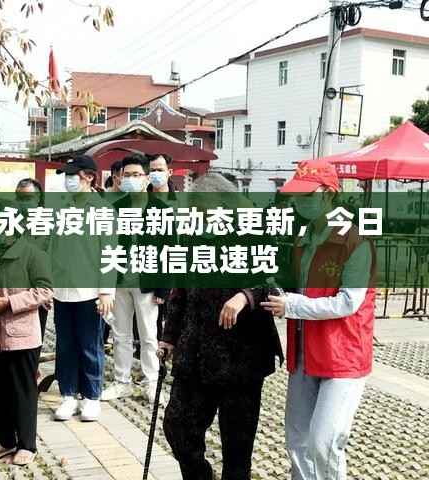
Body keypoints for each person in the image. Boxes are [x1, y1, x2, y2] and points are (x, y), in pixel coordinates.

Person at [160, 173, 284, 480]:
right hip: (195, 353)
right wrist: (169, 336)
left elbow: (275, 284)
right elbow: (179, 290)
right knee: (177, 427)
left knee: (237, 448)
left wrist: (245, 296)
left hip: (241, 357)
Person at [261, 159, 376, 480]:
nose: (300, 202)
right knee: (297, 439)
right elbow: (298, 288)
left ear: (328, 194)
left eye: (307, 195)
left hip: (342, 355)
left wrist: (293, 305)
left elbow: (348, 302)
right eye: (296, 195)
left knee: (324, 442)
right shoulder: (304, 239)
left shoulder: (356, 242)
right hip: (304, 351)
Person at [0, 198, 53, 466]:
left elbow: (45, 290)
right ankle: (5, 442)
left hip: (22, 335)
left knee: (23, 391)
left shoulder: (33, 254)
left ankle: (27, 445)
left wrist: (10, 302)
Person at [102, 154, 171, 404]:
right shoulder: (115, 208)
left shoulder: (160, 210)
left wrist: (163, 289)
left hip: (147, 282)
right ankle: (122, 382)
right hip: (120, 280)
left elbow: (170, 250)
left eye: (136, 175)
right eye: (127, 175)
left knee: (149, 334)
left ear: (146, 178)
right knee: (120, 334)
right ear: (119, 178)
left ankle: (151, 382)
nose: (131, 179)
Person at [52, 154, 116, 422]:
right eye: (66, 176)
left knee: (90, 346)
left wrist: (106, 292)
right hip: (61, 291)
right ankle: (68, 395)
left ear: (89, 177)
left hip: (90, 293)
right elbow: (52, 249)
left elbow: (109, 252)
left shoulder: (102, 210)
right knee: (65, 345)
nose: (68, 180)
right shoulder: (60, 208)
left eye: (73, 176)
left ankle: (91, 396)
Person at [15, 178, 50, 341]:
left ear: (38, 198)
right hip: (12, 291)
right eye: (19, 198)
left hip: (36, 292)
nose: (23, 202)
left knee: (34, 340)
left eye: (27, 198)